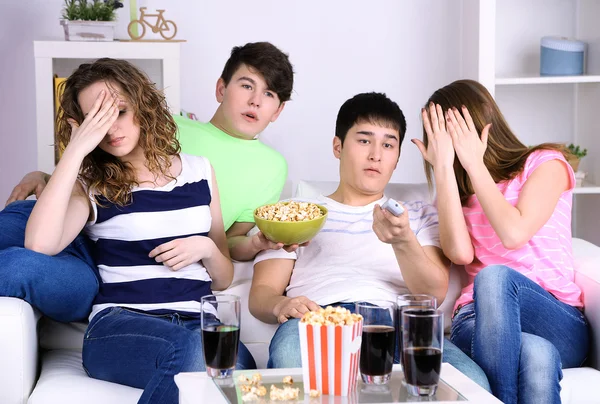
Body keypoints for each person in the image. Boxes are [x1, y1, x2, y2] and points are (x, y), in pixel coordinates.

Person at [24, 58, 256, 404]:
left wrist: (206, 249)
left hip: (196, 324)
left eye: (117, 112)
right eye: (95, 121)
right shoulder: (91, 185)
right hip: (119, 328)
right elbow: (39, 244)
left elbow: (222, 279)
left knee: (243, 372)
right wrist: (74, 150)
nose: (110, 129)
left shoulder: (200, 171)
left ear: (142, 105)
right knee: (196, 354)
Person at [248, 92, 491, 391]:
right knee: (289, 357)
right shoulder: (299, 211)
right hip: (319, 319)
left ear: (397, 157)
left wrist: (403, 240)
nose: (376, 154)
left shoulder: (418, 214)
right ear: (338, 147)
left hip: (401, 326)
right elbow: (261, 293)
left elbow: (433, 294)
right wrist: (280, 304)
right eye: (364, 140)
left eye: (388, 144)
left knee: (472, 382)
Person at [7, 41, 297, 262]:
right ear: (221, 88)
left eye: (269, 94)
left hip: (140, 251)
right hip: (88, 223)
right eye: (247, 85)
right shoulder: (168, 124)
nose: (256, 101)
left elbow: (227, 242)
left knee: (20, 262)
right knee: (15, 221)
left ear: (278, 110)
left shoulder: (272, 167)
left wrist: (257, 243)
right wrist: (47, 176)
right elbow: (101, 169)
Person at [414, 79, 589, 404]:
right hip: (478, 320)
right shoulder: (460, 193)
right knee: (538, 355)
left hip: (556, 315)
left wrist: (475, 164)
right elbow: (460, 254)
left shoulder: (545, 164)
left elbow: (514, 233)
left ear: (480, 126)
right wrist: (442, 170)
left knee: (495, 276)